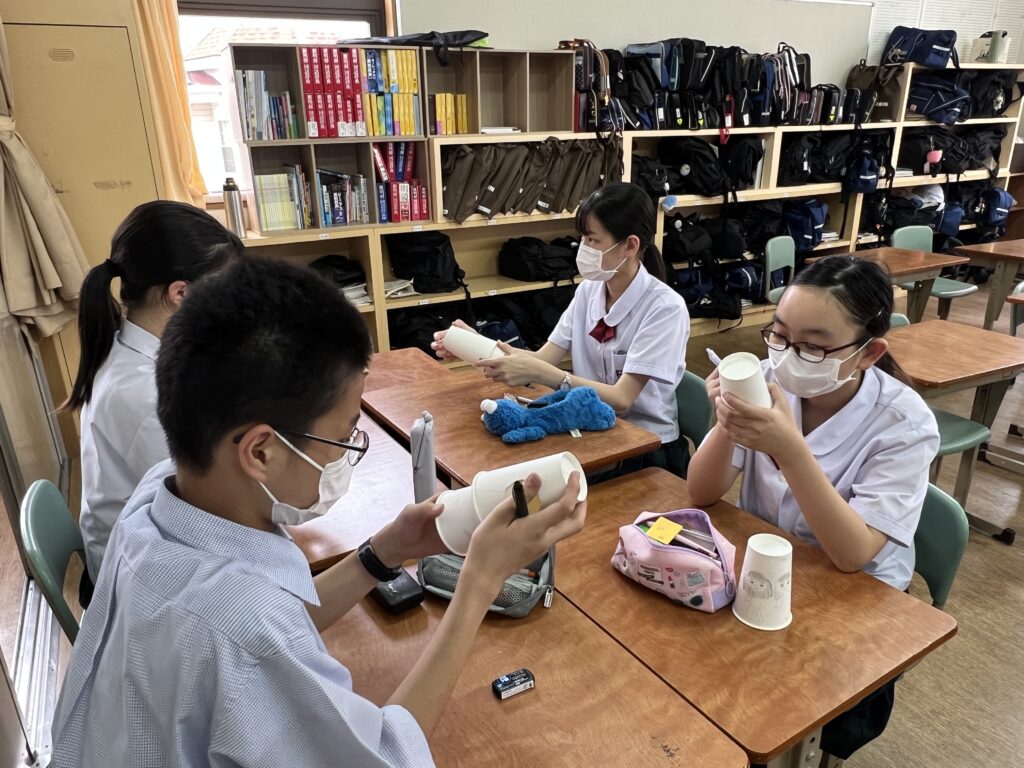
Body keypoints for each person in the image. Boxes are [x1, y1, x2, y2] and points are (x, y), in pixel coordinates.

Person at [50, 258, 586, 767]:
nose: (345, 453)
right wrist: (480, 583)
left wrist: (385, 552)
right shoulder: (243, 628)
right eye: (342, 437)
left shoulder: (153, 499)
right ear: (261, 452)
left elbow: (277, 623)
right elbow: (386, 756)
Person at [688, 254, 939, 761]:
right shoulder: (766, 378)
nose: (787, 356)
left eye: (814, 347)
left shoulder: (904, 424)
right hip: (766, 571)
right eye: (779, 335)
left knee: (771, 720)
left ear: (869, 352)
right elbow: (702, 493)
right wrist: (726, 423)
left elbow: (852, 554)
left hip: (853, 599)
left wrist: (789, 448)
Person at [433, 182, 691, 475]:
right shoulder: (589, 291)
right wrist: (475, 344)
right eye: (583, 239)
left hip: (645, 447)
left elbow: (622, 399)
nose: (583, 248)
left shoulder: (664, 308)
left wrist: (546, 375)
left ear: (630, 246)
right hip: (592, 428)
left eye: (593, 240)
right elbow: (543, 359)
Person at [62, 201, 244, 584]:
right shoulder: (144, 395)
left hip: (146, 544)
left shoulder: (129, 347)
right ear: (180, 294)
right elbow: (214, 509)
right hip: (138, 578)